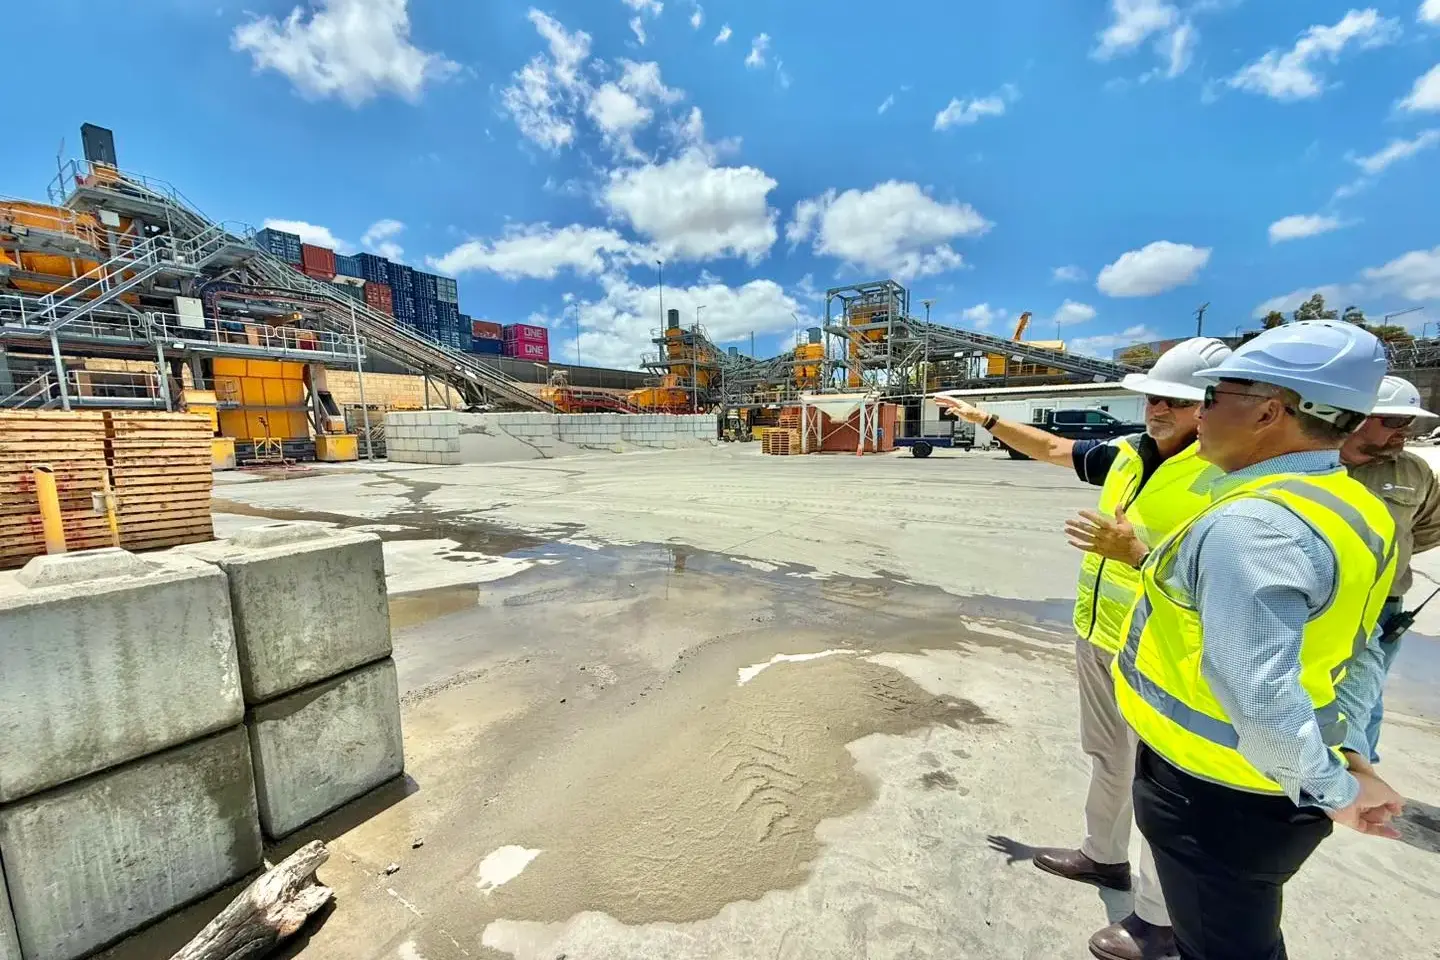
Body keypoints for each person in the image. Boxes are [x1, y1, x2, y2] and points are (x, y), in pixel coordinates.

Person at [1113, 320, 1406, 960]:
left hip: (1217, 794)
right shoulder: (1352, 505)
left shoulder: (1255, 527)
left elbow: (1264, 702)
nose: (1199, 412)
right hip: (1269, 787)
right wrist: (1350, 752)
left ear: (1269, 411)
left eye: (1212, 397)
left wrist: (1340, 795)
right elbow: (1362, 648)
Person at [937, 337, 1232, 960]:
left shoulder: (1225, 474)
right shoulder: (1128, 453)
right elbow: (1052, 447)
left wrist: (1138, 555)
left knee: (1162, 786)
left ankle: (1161, 920)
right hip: (1099, 634)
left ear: (1212, 405)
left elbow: (1233, 577)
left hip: (1166, 650)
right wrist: (985, 418)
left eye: (1174, 402)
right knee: (1106, 756)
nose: (1158, 408)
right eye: (1154, 396)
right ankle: (1104, 857)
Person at [1337, 375, 1440, 761]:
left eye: (1409, 422)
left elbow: (1428, 528)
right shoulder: (1315, 460)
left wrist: (1387, 564)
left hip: (1382, 605)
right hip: (1315, 599)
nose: (1407, 430)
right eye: (1396, 420)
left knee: (1367, 697)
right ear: (1359, 417)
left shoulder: (1414, 472)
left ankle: (1359, 776)